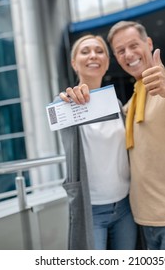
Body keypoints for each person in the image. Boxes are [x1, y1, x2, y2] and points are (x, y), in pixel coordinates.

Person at [66, 21, 165, 250]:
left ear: (148, 44)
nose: (128, 54)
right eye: (120, 51)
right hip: (143, 219)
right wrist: (68, 101)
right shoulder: (128, 104)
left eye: (133, 45)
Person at [58, 34, 137, 250]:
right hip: (90, 210)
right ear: (74, 63)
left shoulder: (116, 104)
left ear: (107, 62)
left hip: (125, 207)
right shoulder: (66, 103)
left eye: (99, 51)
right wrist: (69, 98)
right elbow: (58, 116)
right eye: (85, 51)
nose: (93, 55)